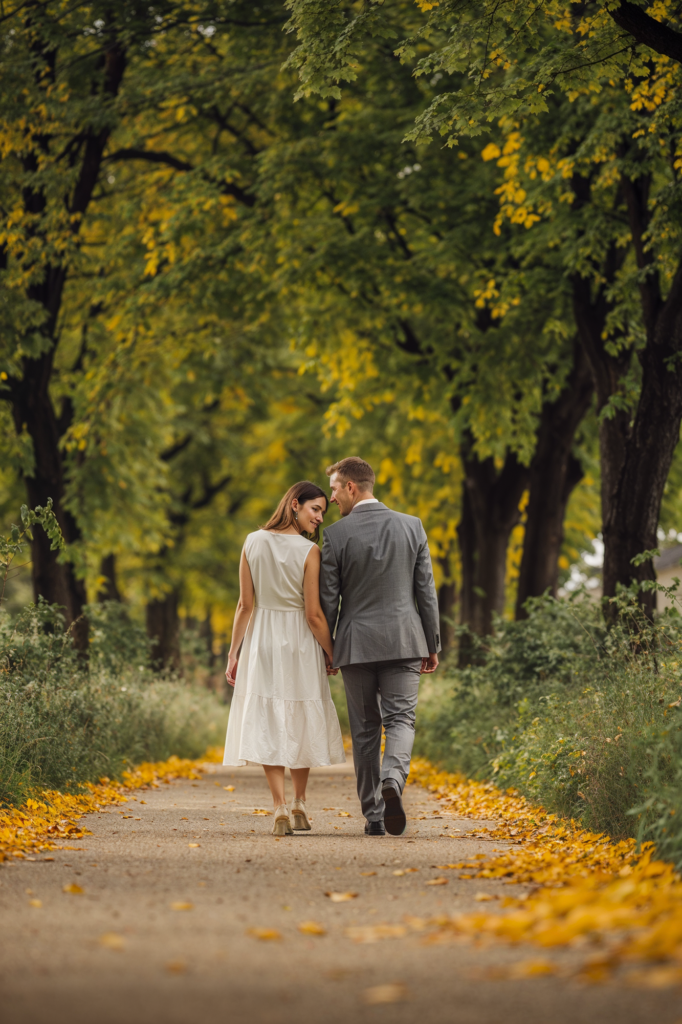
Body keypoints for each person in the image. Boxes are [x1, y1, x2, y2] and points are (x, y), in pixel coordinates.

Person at [320, 457, 440, 837]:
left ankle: (373, 815)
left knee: (365, 729)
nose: (333, 497)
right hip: (406, 640)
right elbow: (426, 592)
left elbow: (328, 600)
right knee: (401, 720)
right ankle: (393, 779)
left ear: (352, 487)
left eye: (336, 489)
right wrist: (432, 642)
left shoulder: (336, 535)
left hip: (355, 645)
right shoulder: (412, 527)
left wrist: (328, 648)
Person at [223, 481, 345, 836]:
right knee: (299, 717)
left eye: (323, 511)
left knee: (270, 720)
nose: (320, 518)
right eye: (315, 510)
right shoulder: (309, 552)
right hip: (299, 644)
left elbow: (245, 605)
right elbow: (313, 614)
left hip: (261, 640)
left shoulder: (252, 541)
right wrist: (332, 651)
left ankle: (278, 807)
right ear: (295, 504)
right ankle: (299, 802)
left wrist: (235, 652)